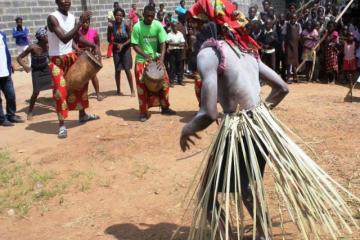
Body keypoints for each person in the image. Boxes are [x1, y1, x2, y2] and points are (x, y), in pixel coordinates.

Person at [181, 2, 360, 240]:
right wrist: (258, 112)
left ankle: (253, 234)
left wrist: (188, 128)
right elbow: (282, 88)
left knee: (213, 191)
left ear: (206, 24)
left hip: (241, 129)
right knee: (243, 185)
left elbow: (208, 113)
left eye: (194, 24)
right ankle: (254, 233)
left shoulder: (209, 53)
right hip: (262, 126)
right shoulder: (245, 50)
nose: (192, 31)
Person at [47, 0, 100, 138]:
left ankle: (82, 115)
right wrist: (80, 23)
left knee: (81, 84)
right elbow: (64, 38)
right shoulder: (52, 17)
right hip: (57, 60)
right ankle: (62, 124)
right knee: (60, 91)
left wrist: (93, 45)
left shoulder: (71, 17)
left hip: (70, 56)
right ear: (57, 1)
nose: (66, 1)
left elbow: (77, 37)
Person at [131, 5, 176, 122]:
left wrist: (161, 59)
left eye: (152, 16)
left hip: (156, 59)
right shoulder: (137, 27)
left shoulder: (158, 25)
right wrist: (145, 56)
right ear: (143, 15)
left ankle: (165, 107)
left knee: (165, 82)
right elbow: (134, 45)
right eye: (148, 16)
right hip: (142, 60)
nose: (150, 18)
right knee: (142, 86)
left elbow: (163, 43)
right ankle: (143, 112)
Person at [16, 27, 53, 120]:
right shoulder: (32, 47)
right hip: (36, 71)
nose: (48, 37)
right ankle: (30, 111)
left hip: (45, 69)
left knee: (55, 86)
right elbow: (19, 58)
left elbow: (50, 58)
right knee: (36, 91)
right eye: (46, 36)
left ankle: (57, 105)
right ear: (41, 37)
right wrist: (25, 66)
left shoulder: (47, 46)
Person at [75, 16, 104, 101]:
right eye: (83, 22)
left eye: (87, 22)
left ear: (89, 22)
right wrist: (82, 49)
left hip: (91, 56)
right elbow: (76, 45)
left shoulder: (93, 31)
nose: (85, 24)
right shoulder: (78, 32)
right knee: (82, 76)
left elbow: (97, 43)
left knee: (93, 75)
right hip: (81, 56)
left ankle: (98, 93)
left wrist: (97, 52)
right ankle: (83, 95)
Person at [108, 7, 135, 97]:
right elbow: (109, 39)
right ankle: (118, 90)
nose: (118, 17)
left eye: (120, 15)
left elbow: (131, 38)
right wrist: (116, 44)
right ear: (114, 16)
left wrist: (122, 45)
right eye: (117, 15)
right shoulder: (111, 26)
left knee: (127, 69)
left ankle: (132, 90)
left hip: (126, 48)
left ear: (123, 16)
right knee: (117, 70)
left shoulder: (126, 25)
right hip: (116, 49)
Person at [0, 30, 23, 127]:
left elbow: (5, 51)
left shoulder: (2, 35)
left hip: (5, 72)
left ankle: (11, 115)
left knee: (11, 95)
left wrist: (10, 63)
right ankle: (1, 119)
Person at [283, 13, 302, 83]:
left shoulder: (298, 25)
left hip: (295, 46)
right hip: (288, 45)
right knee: (288, 62)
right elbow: (284, 36)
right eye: (292, 18)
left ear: (296, 18)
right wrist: (283, 46)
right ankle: (288, 78)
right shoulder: (287, 25)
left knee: (294, 62)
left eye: (295, 18)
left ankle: (295, 77)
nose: (293, 19)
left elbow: (299, 36)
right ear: (290, 18)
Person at [167, 21, 186, 87]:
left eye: (176, 26)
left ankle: (180, 80)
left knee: (180, 66)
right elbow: (169, 43)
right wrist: (178, 44)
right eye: (173, 26)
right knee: (172, 67)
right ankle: (171, 81)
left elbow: (183, 43)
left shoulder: (180, 34)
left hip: (179, 52)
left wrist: (175, 44)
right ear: (171, 27)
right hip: (172, 52)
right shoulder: (169, 34)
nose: (175, 28)